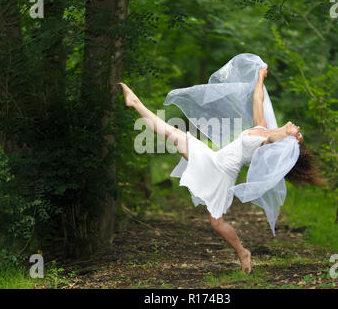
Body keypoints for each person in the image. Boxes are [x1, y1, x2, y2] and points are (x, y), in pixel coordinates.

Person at [118, 66, 323, 274]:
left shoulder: (267, 143)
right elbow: (257, 99)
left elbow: (274, 139)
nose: (297, 129)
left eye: (298, 136)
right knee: (173, 134)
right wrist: (260, 76)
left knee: (216, 223)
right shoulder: (262, 128)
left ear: (286, 142)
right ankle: (135, 102)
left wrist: (287, 137)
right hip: (213, 160)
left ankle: (243, 252)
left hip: (222, 174)